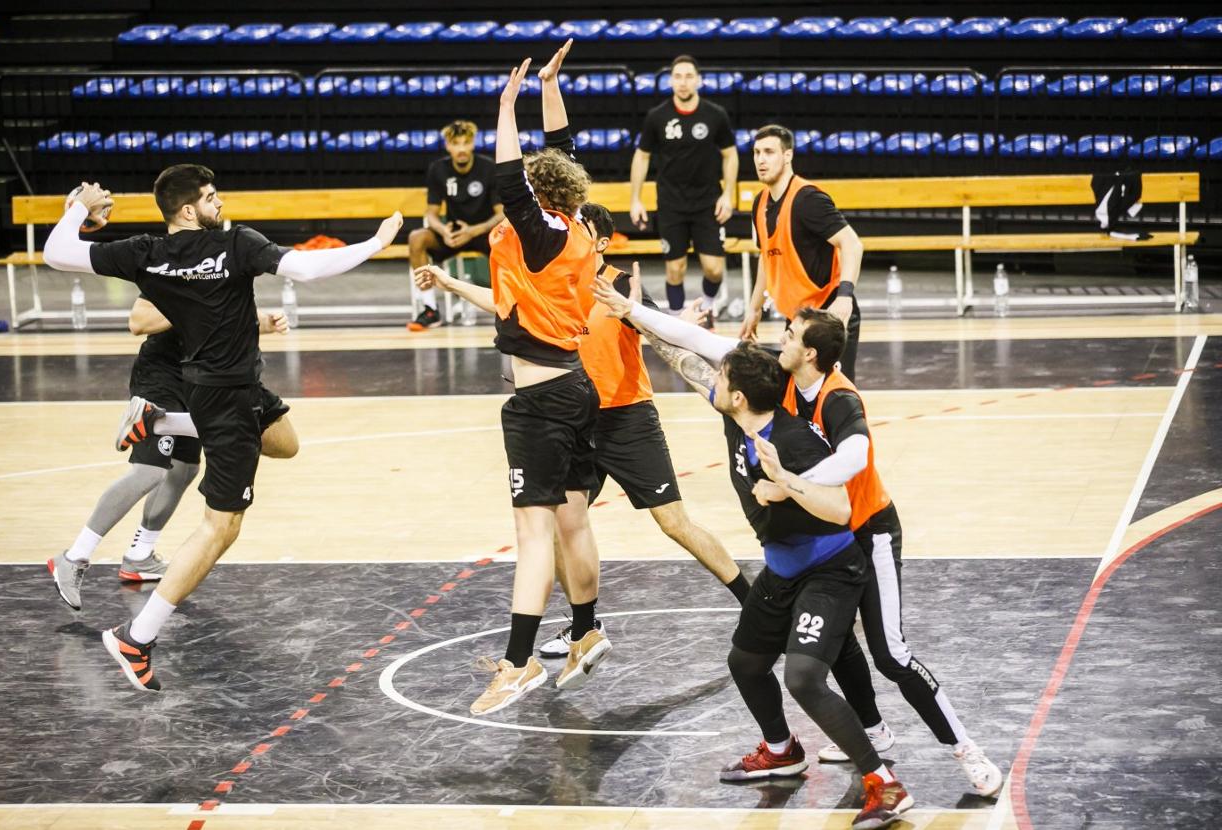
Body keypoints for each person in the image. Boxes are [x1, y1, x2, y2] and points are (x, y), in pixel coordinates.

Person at [591, 294, 1004, 798]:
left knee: (890, 655)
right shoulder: (778, 378)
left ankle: (965, 749)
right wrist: (631, 311)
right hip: (816, 532)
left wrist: (789, 484)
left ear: (810, 352)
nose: (779, 336)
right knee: (831, 641)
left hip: (865, 527)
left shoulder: (837, 397)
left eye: (789, 334)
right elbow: (698, 342)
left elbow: (855, 457)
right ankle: (868, 731)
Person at [43, 166, 403, 692]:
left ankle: (164, 420)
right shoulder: (236, 244)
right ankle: (136, 638)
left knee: (284, 442)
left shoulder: (147, 253)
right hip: (224, 395)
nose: (221, 203)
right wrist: (375, 243)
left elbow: (57, 253)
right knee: (221, 527)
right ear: (189, 209)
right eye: (212, 197)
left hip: (227, 390)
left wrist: (79, 207)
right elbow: (305, 269)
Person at [417, 201, 751, 660]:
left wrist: (708, 376)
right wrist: (450, 282)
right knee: (559, 527)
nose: (569, 231)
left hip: (628, 418)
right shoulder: (555, 284)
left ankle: (753, 604)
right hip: (576, 418)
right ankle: (583, 624)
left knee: (674, 523)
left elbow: (665, 339)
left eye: (580, 226)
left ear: (602, 242)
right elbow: (502, 302)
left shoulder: (621, 285)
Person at [443, 40, 613, 716]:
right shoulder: (575, 224)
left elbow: (511, 176)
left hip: (542, 400)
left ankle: (518, 664)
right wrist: (548, 87)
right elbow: (564, 151)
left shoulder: (539, 233)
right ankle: (587, 629)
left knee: (535, 533)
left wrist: (507, 106)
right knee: (573, 521)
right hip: (574, 387)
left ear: (538, 197)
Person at [46, 302, 289, 610]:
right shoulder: (173, 273)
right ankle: (73, 557)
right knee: (149, 471)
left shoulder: (228, 276)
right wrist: (197, 304)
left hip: (200, 379)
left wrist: (264, 321)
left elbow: (229, 314)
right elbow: (138, 321)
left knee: (184, 469)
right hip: (161, 377)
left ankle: (139, 556)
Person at [740, 124, 865, 381]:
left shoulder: (807, 199)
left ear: (787, 155)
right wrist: (754, 308)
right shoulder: (760, 203)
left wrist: (845, 297)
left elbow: (852, 243)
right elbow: (767, 256)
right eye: (756, 152)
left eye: (769, 152)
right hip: (797, 318)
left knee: (833, 394)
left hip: (828, 313)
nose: (761, 159)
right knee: (798, 395)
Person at [629, 55, 737, 323]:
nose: (683, 82)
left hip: (707, 202)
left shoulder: (715, 115)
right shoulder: (657, 117)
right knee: (675, 269)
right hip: (671, 203)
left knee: (714, 269)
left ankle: (706, 310)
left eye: (689, 76)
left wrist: (728, 194)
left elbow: (730, 154)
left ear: (698, 80)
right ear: (671, 81)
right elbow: (642, 156)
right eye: (678, 76)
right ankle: (678, 321)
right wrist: (635, 199)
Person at [407, 119, 504, 331]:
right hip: (453, 234)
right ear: (447, 146)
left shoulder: (488, 168)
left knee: (509, 242)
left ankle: (508, 307)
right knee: (417, 237)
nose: (461, 149)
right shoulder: (438, 169)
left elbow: (501, 214)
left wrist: (474, 231)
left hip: (484, 233)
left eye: (465, 143)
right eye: (456, 143)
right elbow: (431, 213)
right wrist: (443, 230)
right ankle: (430, 310)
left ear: (473, 143)